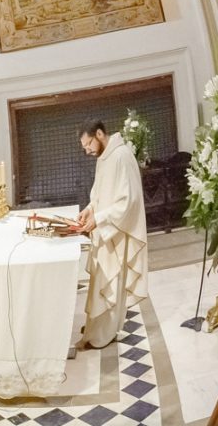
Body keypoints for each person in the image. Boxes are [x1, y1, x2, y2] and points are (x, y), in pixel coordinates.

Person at [76, 119, 148, 349]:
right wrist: (89, 209)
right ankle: (95, 329)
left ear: (99, 134)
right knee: (101, 280)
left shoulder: (122, 155)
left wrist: (100, 218)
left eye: (88, 144)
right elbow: (99, 191)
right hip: (104, 229)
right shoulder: (104, 158)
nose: (86, 150)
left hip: (117, 230)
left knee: (112, 282)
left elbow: (129, 200)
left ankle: (103, 335)